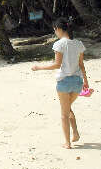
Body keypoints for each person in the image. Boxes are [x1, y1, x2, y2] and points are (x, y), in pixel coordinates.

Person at [31, 18, 89, 149]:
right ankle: (75, 134)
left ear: (58, 29)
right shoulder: (79, 43)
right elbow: (81, 65)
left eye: (54, 30)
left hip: (64, 82)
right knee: (68, 108)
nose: (55, 32)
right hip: (78, 82)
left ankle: (67, 143)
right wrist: (86, 82)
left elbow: (57, 65)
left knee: (64, 113)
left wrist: (39, 67)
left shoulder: (59, 44)